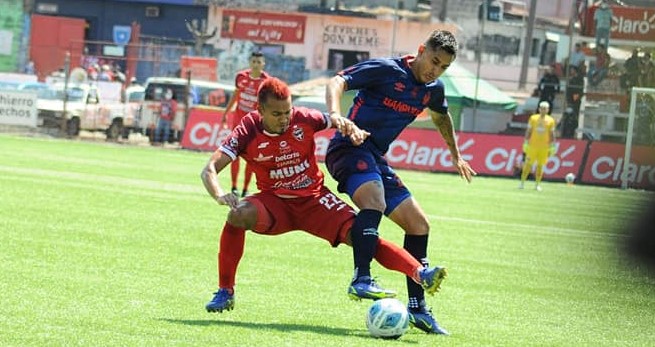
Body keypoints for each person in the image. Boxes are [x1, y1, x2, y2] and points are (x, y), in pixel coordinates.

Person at [201, 77, 444, 317]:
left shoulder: (304, 118)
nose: (284, 119)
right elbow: (209, 170)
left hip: (316, 200)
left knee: (362, 236)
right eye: (277, 114)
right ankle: (225, 291)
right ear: (260, 109)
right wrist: (220, 194)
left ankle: (420, 274)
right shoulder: (247, 129)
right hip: (275, 202)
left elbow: (336, 120)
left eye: (287, 112)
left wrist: (352, 128)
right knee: (238, 215)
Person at [324, 29, 476, 335]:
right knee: (375, 200)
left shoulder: (433, 89)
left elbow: (441, 116)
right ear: (421, 50)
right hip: (348, 148)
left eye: (443, 67)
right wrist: (336, 115)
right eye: (433, 61)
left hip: (375, 157)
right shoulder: (385, 70)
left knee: (419, 225)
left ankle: (418, 309)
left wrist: (455, 155)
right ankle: (361, 278)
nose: (436, 70)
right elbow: (337, 80)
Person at [220, 51, 270, 197]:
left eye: (258, 62)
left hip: (254, 125)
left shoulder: (266, 81)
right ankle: (234, 187)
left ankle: (245, 189)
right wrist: (226, 112)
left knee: (252, 157)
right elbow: (235, 96)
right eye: (253, 61)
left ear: (263, 64)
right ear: (250, 62)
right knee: (234, 154)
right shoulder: (241, 77)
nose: (256, 65)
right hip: (238, 123)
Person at [519, 101, 557, 192]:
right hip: (532, 146)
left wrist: (552, 146)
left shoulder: (551, 120)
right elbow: (529, 130)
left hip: (544, 147)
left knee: (540, 166)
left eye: (545, 108)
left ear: (548, 110)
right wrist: (525, 142)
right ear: (539, 109)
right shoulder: (533, 118)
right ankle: (522, 183)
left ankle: (537, 184)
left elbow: (552, 133)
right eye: (542, 108)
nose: (543, 110)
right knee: (528, 165)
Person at [563, 66, 584, 138]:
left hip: (575, 100)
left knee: (574, 115)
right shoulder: (571, 79)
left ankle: (572, 130)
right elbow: (568, 89)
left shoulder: (579, 79)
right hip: (570, 100)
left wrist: (576, 97)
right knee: (568, 116)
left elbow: (580, 90)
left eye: (572, 70)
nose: (571, 72)